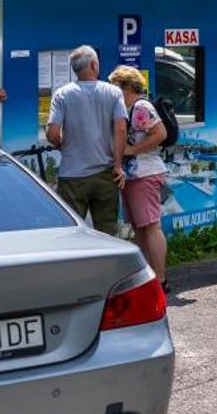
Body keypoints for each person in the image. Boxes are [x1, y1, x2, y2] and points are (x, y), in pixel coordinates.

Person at [46, 45, 128, 234]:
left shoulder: (62, 94)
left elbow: (52, 134)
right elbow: (121, 129)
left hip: (72, 176)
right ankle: (106, 264)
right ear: (93, 64)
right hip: (106, 174)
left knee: (71, 232)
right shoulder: (113, 93)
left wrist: (62, 145)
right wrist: (117, 165)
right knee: (107, 231)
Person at [110, 65, 170, 285]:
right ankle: (149, 275)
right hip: (135, 176)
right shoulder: (129, 109)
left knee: (151, 226)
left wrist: (132, 150)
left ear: (125, 86)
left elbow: (160, 133)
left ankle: (160, 278)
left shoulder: (140, 107)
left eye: (115, 87)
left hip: (145, 173)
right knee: (140, 227)